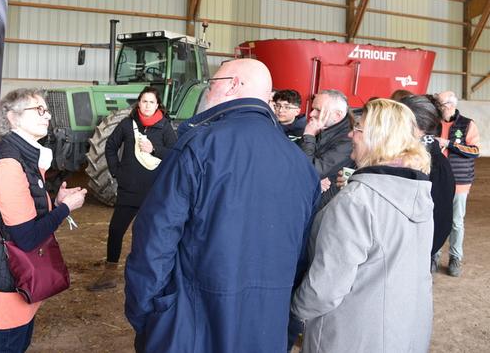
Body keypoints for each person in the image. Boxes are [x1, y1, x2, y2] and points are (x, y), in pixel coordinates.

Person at [125, 59, 320, 353]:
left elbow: (155, 239)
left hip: (190, 328)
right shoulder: (300, 165)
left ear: (232, 85)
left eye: (213, 82)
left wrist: (148, 316)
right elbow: (301, 260)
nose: (207, 90)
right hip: (265, 331)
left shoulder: (199, 146)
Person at [291, 98, 433, 353]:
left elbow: (325, 289)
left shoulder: (356, 201)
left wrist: (294, 308)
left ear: (378, 137)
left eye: (357, 129)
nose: (350, 134)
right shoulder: (419, 193)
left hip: (349, 335)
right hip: (401, 331)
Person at [0, 89, 87, 352]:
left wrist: (55, 203)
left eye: (47, 110)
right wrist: (65, 208)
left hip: (20, 285)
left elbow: (25, 213)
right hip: (9, 287)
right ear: (13, 117)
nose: (48, 116)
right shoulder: (10, 162)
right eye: (39, 110)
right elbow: (26, 237)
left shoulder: (26, 155)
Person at [88, 87, 177, 291]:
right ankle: (109, 274)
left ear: (158, 105)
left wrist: (154, 149)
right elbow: (110, 145)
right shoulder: (128, 124)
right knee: (116, 230)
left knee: (150, 234)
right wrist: (117, 172)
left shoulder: (164, 128)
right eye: (144, 101)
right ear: (139, 103)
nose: (147, 105)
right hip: (129, 190)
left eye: (151, 102)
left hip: (153, 192)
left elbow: (175, 154)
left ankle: (151, 277)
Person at [399, 94, 455, 272]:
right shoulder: (403, 159)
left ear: (414, 127)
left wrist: (415, 252)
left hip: (409, 259)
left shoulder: (436, 166)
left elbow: (441, 222)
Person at [435, 90, 481, 277]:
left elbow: (474, 150)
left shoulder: (468, 124)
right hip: (437, 179)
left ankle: (455, 258)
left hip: (459, 181)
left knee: (456, 222)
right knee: (436, 219)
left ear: (450, 105)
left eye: (440, 105)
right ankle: (434, 255)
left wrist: (449, 143)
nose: (438, 108)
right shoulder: (433, 123)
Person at [300, 89, 354, 208]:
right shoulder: (323, 128)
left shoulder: (348, 140)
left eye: (318, 110)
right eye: (313, 108)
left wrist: (309, 136)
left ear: (337, 115)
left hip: (323, 206)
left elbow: (309, 171)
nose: (311, 114)